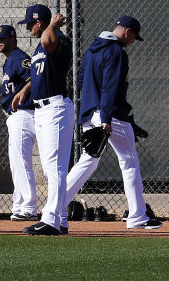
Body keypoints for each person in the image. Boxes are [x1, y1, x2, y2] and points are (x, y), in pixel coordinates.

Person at [62, 16, 161, 230]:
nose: (133, 40)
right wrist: (106, 117)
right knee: (129, 162)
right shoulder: (116, 52)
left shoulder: (92, 49)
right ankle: (137, 216)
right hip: (109, 115)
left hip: (90, 113)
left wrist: (92, 110)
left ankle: (57, 206)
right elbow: (110, 87)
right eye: (134, 36)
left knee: (88, 161)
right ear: (126, 32)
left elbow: (80, 80)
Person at [19, 4, 75, 236]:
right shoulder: (38, 48)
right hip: (42, 109)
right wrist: (25, 89)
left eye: (30, 24)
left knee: (55, 167)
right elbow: (40, 72)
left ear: (40, 23)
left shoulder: (59, 39)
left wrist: (52, 25)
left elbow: (48, 42)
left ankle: (51, 219)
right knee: (51, 167)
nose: (28, 28)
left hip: (56, 107)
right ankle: (60, 219)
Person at [0, 24, 39, 221]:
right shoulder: (10, 60)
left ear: (13, 39)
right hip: (17, 116)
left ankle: (28, 207)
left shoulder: (19, 57)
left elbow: (37, 75)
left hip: (24, 113)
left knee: (21, 163)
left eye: (2, 38)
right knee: (17, 164)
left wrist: (24, 91)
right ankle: (20, 205)